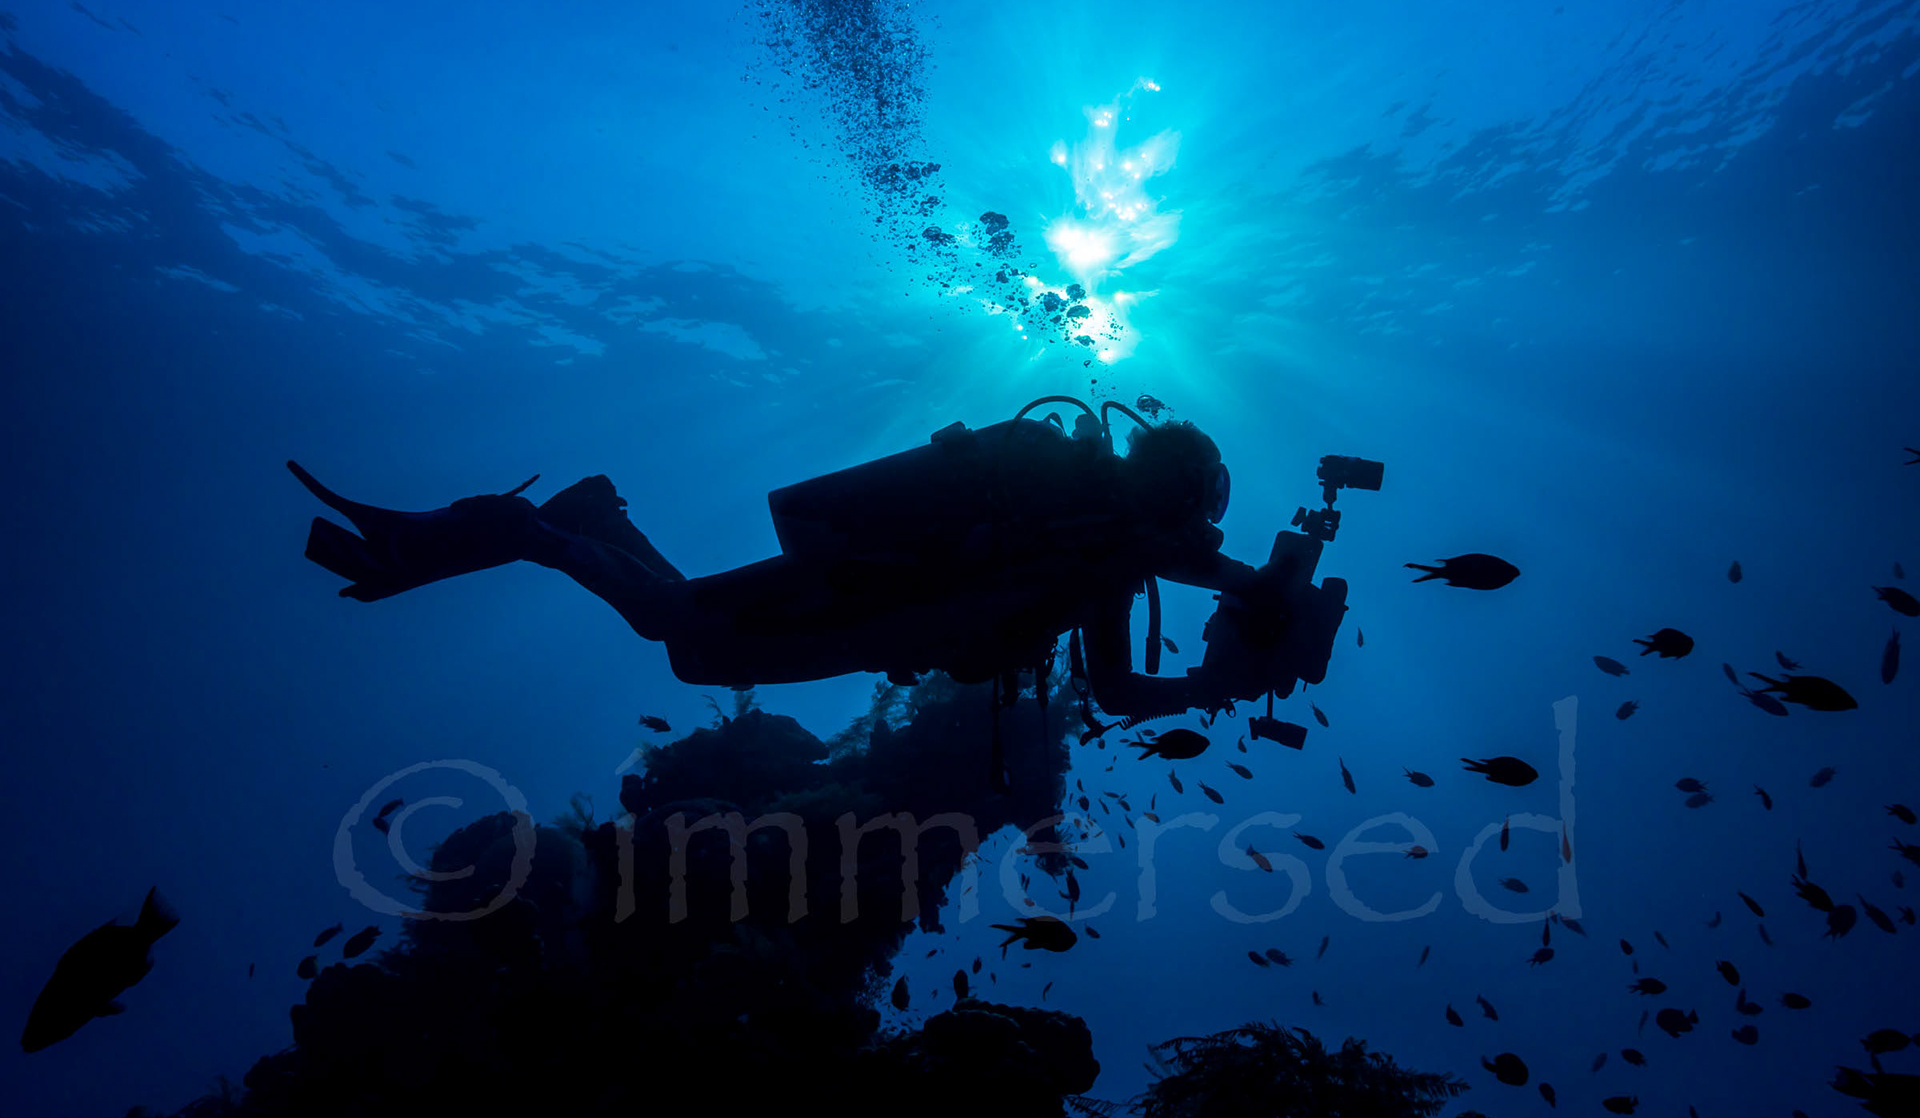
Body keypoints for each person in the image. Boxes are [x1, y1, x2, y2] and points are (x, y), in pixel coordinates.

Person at [290, 399, 1332, 728]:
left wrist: (1248, 595)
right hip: (868, 594)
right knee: (679, 629)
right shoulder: (1100, 540)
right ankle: (524, 530)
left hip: (873, 596)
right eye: (1199, 511)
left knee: (689, 642)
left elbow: (1143, 622)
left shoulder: (1090, 532)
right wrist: (1219, 670)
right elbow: (1124, 678)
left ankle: (590, 515)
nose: (1197, 533)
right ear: (1176, 497)